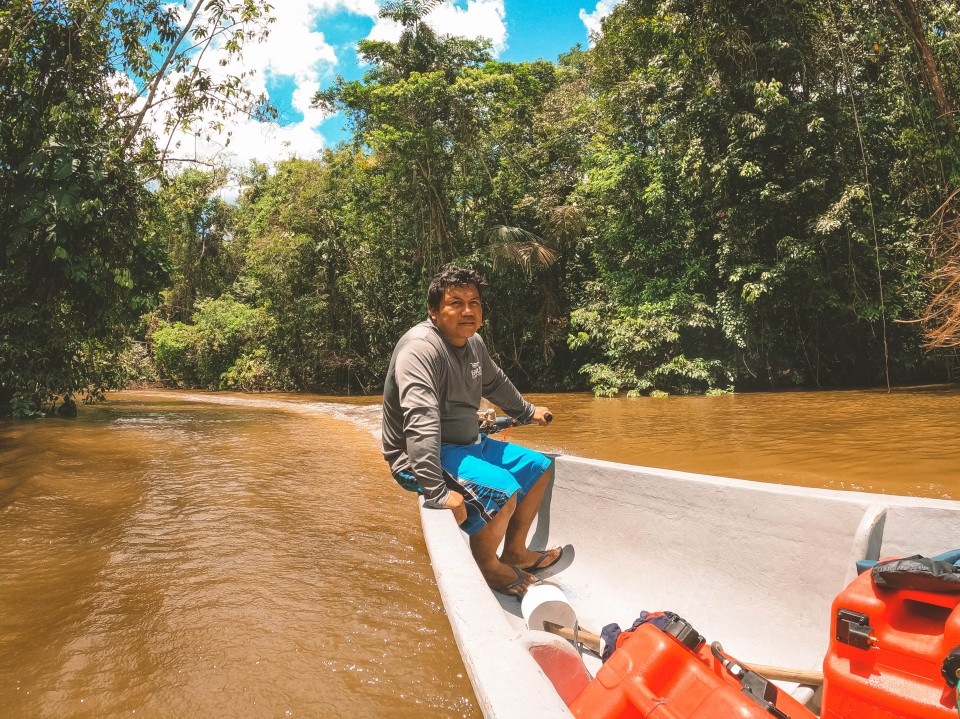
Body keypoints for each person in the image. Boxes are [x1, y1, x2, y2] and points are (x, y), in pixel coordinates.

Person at [381, 266, 562, 599]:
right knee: (504, 490)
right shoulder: (420, 350)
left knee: (539, 468)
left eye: (474, 302)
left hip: (469, 442)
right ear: (433, 311)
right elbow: (420, 421)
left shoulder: (473, 342)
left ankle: (516, 552)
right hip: (423, 455)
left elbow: (495, 383)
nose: (467, 310)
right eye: (455, 303)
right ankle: (488, 566)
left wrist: (526, 411)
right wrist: (436, 492)